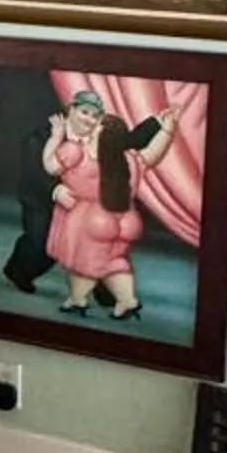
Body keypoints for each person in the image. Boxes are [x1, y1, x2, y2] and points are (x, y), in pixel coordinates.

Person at [40, 82, 197, 317]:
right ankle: (127, 301)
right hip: (127, 219)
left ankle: (77, 299)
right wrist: (167, 131)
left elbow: (50, 166)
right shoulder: (130, 159)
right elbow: (153, 153)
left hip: (92, 218)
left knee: (84, 264)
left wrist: (55, 137)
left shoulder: (76, 152)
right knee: (114, 261)